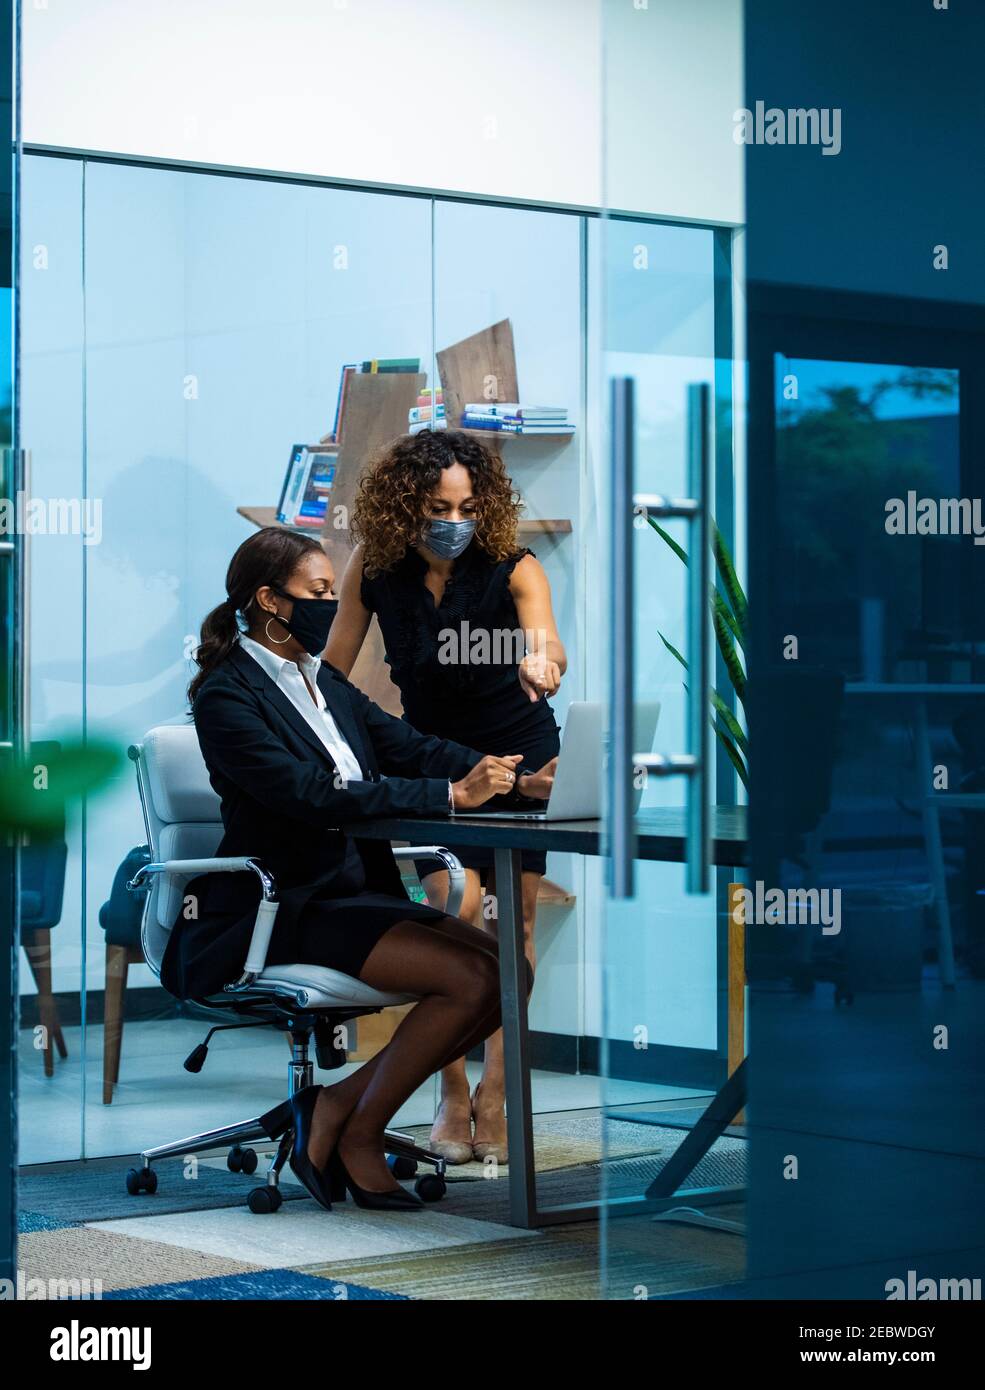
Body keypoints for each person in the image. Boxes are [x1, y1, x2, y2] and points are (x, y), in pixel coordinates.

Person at [162, 526, 531, 1212]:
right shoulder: (226, 696)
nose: (332, 606)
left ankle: (333, 1108)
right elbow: (308, 793)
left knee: (509, 972)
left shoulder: (319, 680)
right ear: (270, 601)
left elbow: (410, 746)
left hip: (351, 892)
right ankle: (359, 1133)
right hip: (283, 905)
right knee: (469, 977)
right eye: (318, 593)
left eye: (334, 591)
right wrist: (451, 797)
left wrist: (513, 779)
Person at [326, 427, 566, 1163]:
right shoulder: (377, 568)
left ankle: (497, 1092)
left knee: (512, 929)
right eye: (437, 505)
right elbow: (333, 669)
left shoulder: (514, 566)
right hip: (441, 771)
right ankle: (447, 1090)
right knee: (450, 914)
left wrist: (543, 664)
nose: (453, 520)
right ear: (406, 504)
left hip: (521, 763)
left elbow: (547, 644)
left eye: (466, 506)